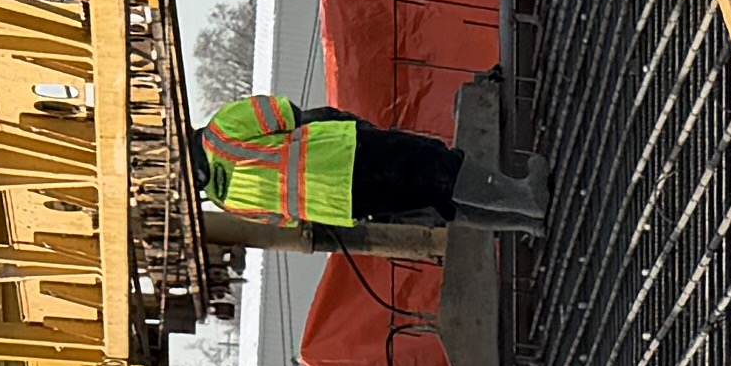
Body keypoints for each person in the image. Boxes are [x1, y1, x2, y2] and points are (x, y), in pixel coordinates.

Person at [204, 92, 547, 252]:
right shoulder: (221, 131)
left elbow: (287, 221)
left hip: (346, 205)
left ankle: (525, 222)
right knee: (439, 165)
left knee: (438, 202)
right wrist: (348, 122)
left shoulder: (226, 202)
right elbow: (294, 115)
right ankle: (526, 198)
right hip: (348, 155)